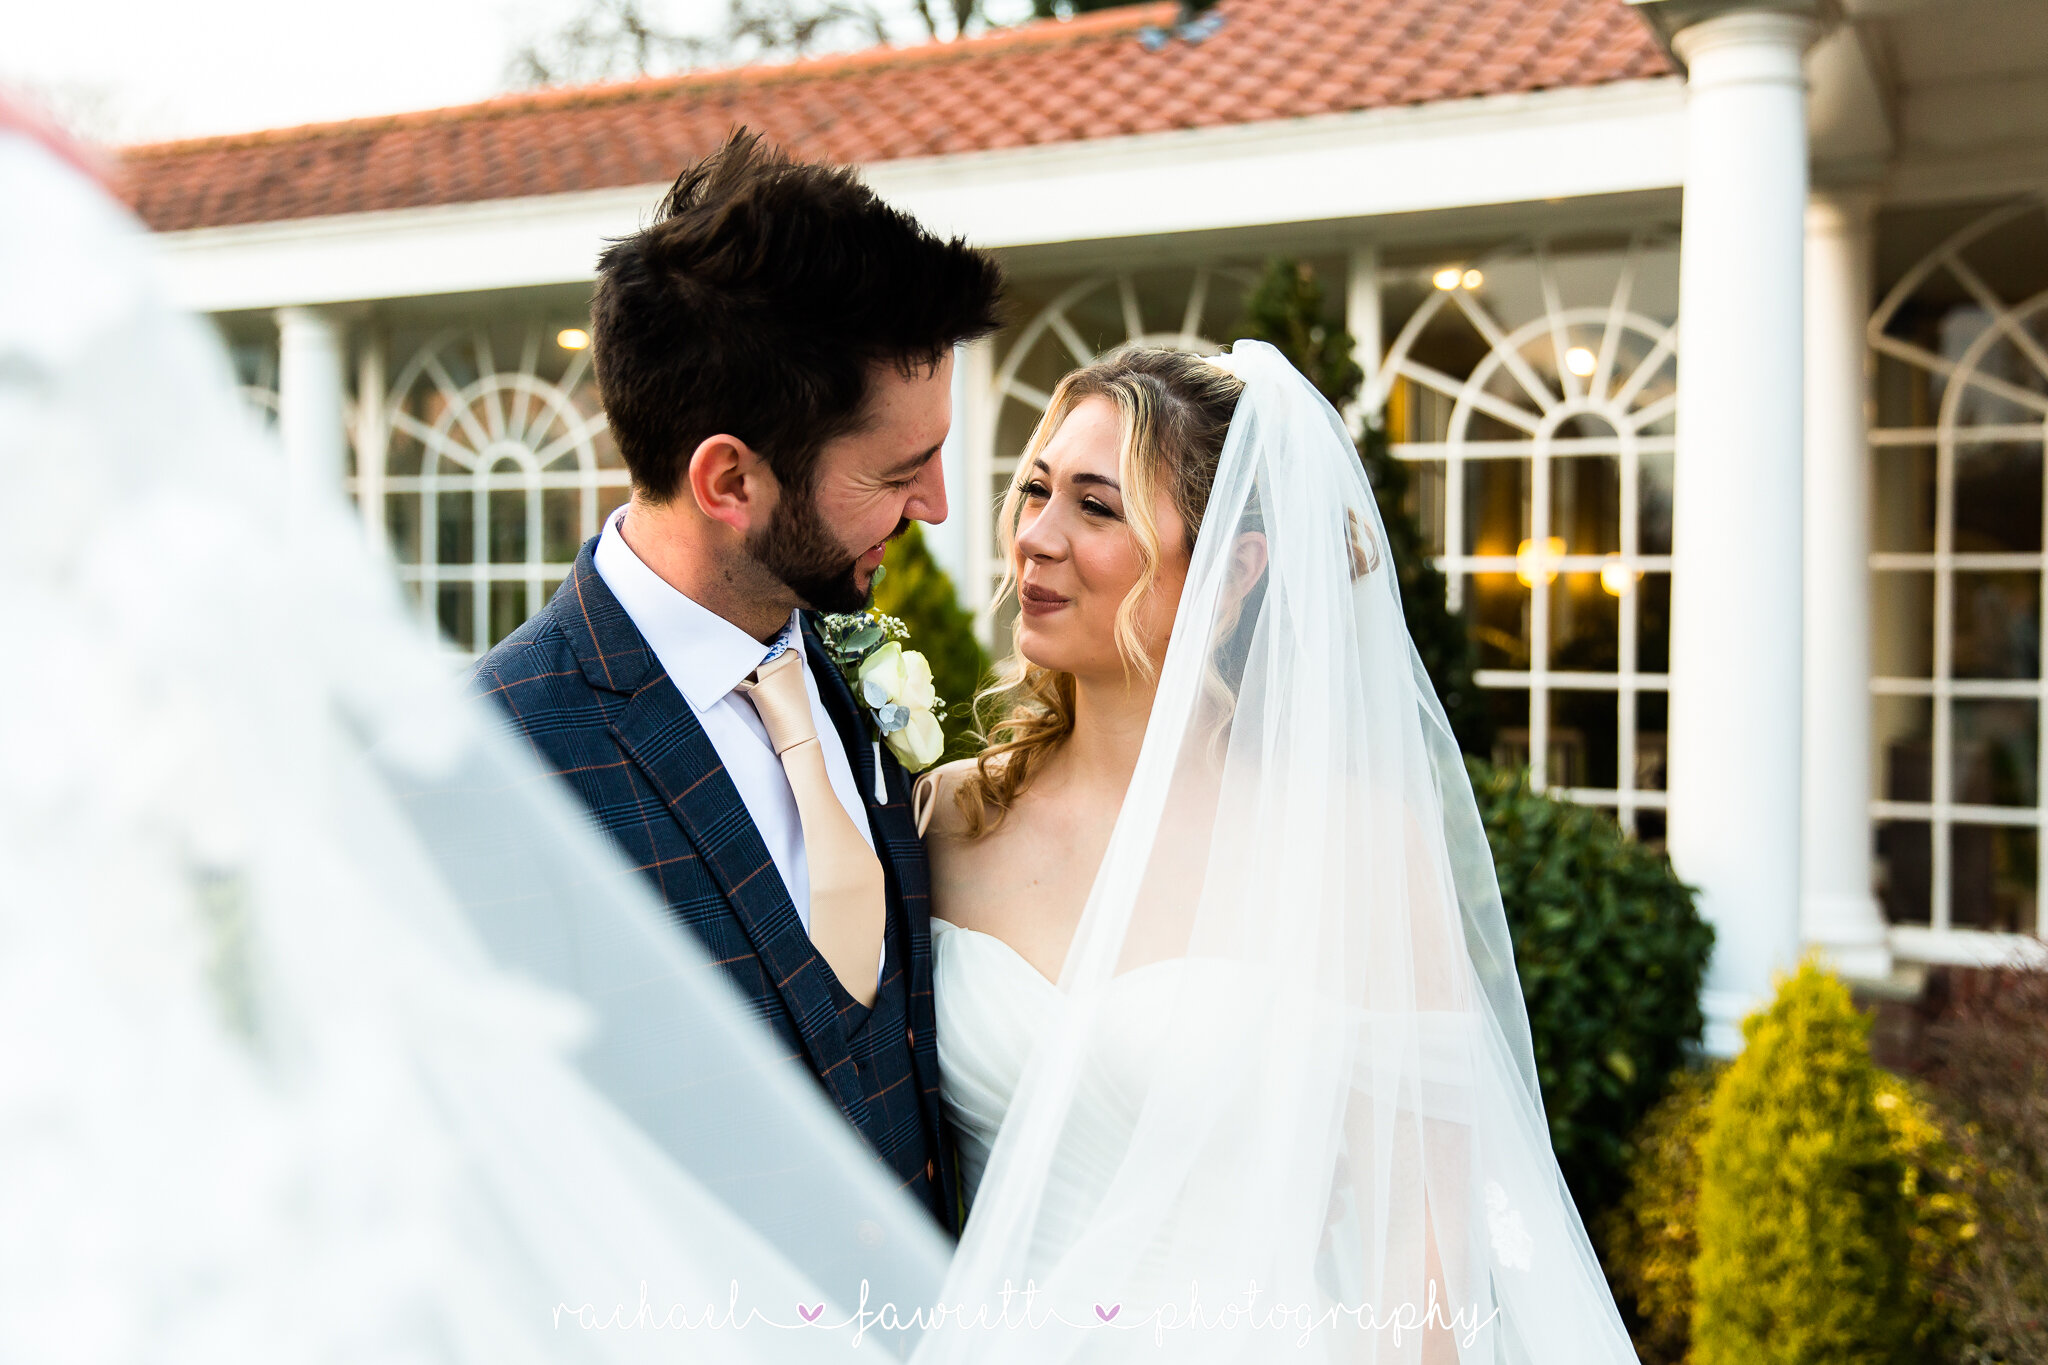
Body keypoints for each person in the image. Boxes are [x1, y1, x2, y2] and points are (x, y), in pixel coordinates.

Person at [913, 345, 1643, 1360]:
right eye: (1033, 491)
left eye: (1095, 506)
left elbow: (1421, 1235)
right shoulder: (947, 819)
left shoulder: (1345, 849)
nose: (1034, 537)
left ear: (1232, 571)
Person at [473, 129, 1003, 1235]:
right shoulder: (487, 766)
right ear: (729, 480)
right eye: (898, 473)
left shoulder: (846, 669)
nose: (939, 507)